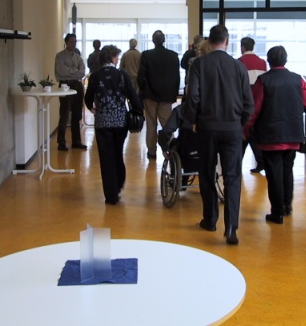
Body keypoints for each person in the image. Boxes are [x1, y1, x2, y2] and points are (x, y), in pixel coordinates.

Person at [183, 24, 254, 245]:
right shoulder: (238, 66)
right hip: (232, 128)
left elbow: (192, 97)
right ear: (227, 41)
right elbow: (248, 103)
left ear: (208, 41)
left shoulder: (199, 65)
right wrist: (239, 124)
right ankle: (231, 227)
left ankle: (210, 219)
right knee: (232, 176)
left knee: (206, 172)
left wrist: (193, 120)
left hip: (207, 127)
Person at [244, 46, 306, 224]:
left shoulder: (263, 80)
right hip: (293, 132)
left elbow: (254, 109)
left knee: (274, 173)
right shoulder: (297, 79)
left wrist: (246, 129)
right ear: (285, 59)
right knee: (287, 170)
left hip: (271, 135)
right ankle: (287, 205)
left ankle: (277, 212)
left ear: (269, 61)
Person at [85, 45, 144, 204]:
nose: (118, 60)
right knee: (117, 152)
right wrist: (139, 111)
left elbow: (88, 98)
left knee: (106, 157)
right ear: (111, 57)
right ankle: (118, 184)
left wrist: (92, 108)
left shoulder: (95, 76)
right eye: (117, 57)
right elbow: (132, 96)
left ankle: (110, 195)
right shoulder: (122, 75)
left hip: (102, 122)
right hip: (120, 121)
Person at [138, 30, 180, 160]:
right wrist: (174, 93)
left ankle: (152, 151)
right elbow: (176, 77)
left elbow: (141, 76)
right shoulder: (173, 56)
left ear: (153, 41)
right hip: (167, 95)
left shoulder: (146, 55)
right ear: (164, 40)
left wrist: (142, 90)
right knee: (167, 123)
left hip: (150, 94)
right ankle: (169, 148)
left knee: (151, 123)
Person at [237, 36, 267, 174]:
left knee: (243, 132)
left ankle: (237, 162)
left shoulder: (239, 62)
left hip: (244, 102)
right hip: (259, 102)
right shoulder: (262, 63)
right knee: (253, 133)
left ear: (242, 47)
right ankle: (260, 161)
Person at [54, 33, 87, 151]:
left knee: (77, 114)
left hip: (77, 85)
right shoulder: (60, 56)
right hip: (65, 85)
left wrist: (71, 72)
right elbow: (62, 72)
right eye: (72, 41)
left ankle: (76, 141)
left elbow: (82, 72)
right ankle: (61, 142)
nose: (74, 44)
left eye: (75, 41)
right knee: (64, 113)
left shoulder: (78, 57)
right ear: (66, 42)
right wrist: (75, 71)